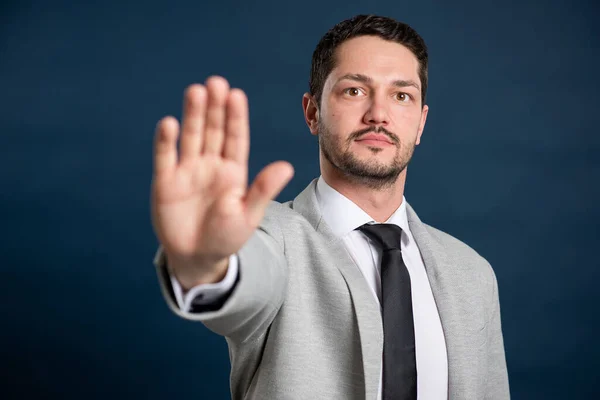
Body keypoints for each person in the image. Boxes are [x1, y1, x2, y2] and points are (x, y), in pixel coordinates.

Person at [150, 14, 510, 400]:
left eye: (401, 95)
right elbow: (244, 279)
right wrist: (205, 265)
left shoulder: (473, 274)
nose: (378, 114)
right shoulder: (269, 234)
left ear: (420, 124)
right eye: (354, 91)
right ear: (312, 113)